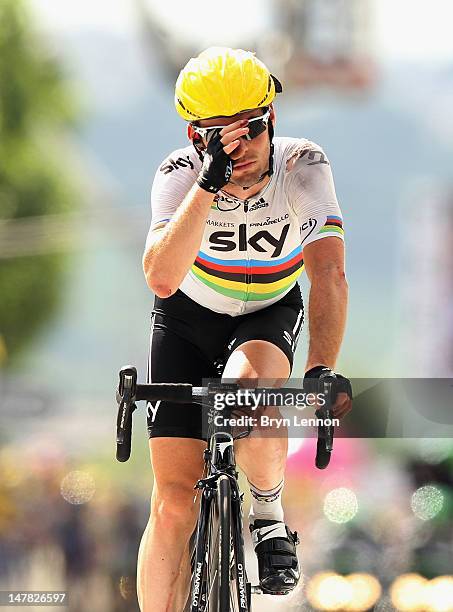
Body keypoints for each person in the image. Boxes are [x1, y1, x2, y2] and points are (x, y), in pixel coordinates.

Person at [139, 46, 352, 611]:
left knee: (247, 393)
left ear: (272, 121)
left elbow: (328, 274)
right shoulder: (179, 176)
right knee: (174, 507)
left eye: (252, 130)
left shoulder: (301, 165)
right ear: (194, 138)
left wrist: (320, 371)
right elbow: (161, 278)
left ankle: (267, 513)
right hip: (186, 321)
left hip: (267, 313)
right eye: (220, 137)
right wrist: (208, 186)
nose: (242, 149)